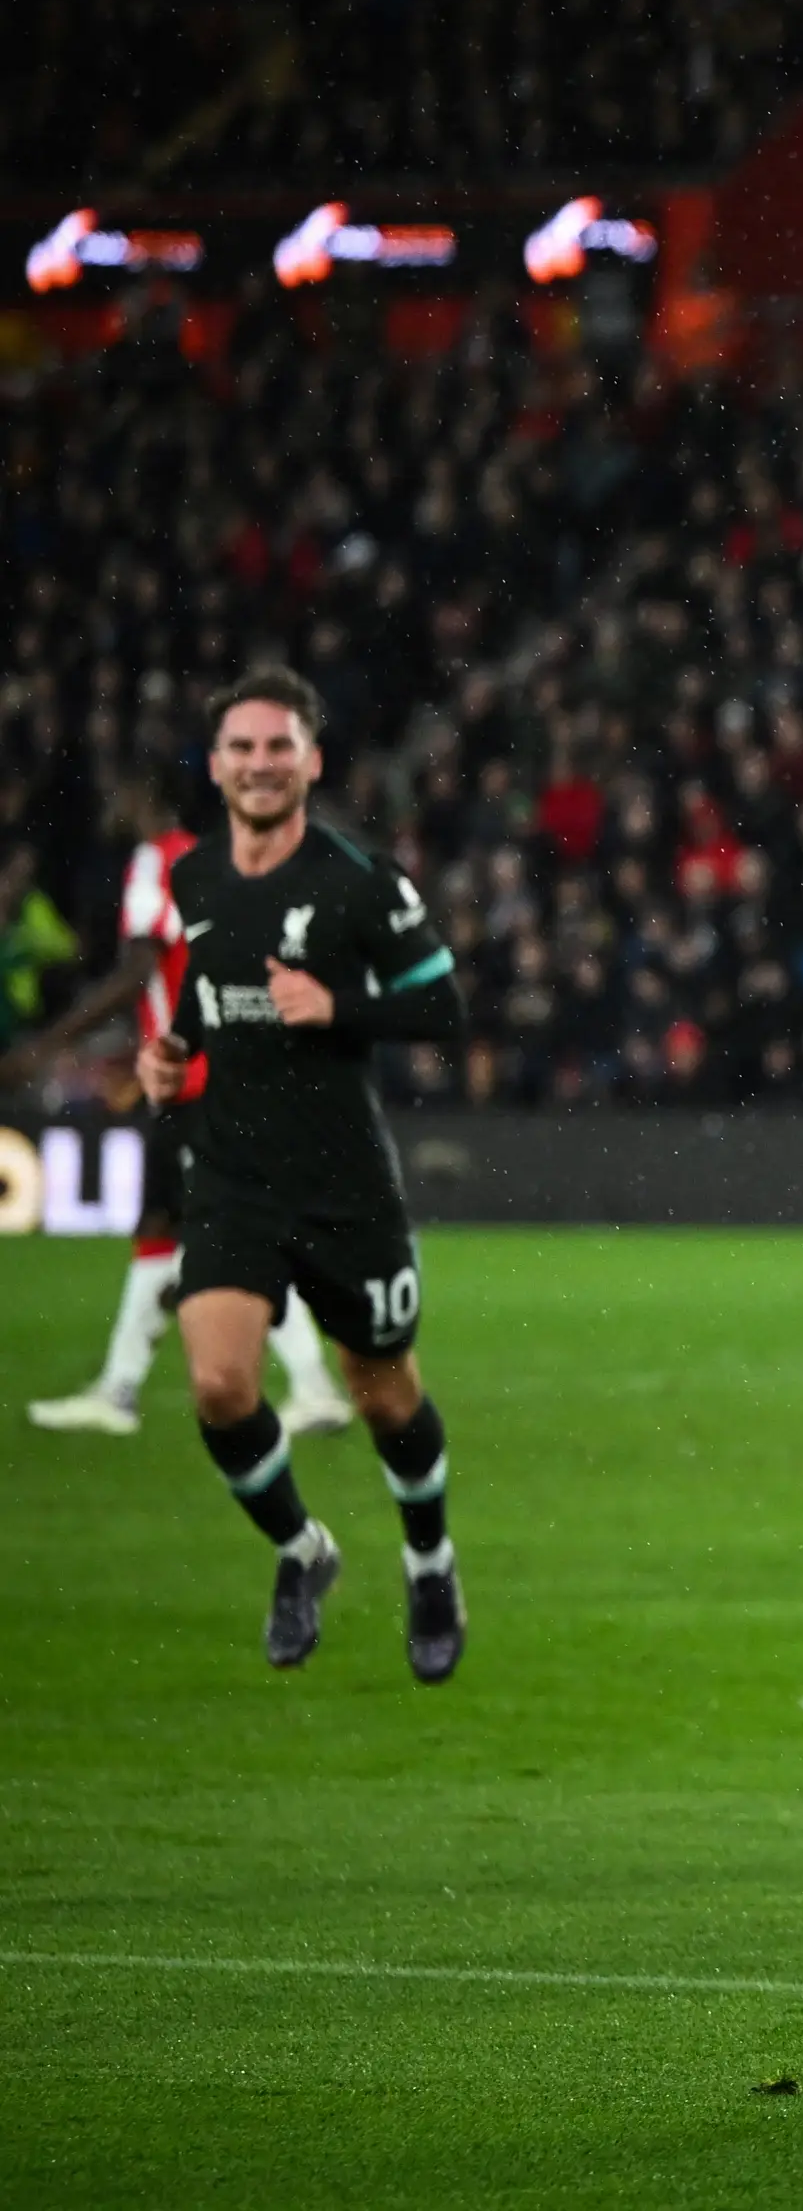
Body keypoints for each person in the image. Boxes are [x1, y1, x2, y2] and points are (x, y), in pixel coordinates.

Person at [134, 669, 470, 1677]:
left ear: (312, 761)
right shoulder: (195, 878)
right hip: (233, 1174)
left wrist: (338, 1006)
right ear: (216, 766)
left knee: (384, 1396)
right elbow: (211, 983)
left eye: (279, 746)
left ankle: (431, 1563)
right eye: (242, 748)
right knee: (218, 1384)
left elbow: (444, 1009)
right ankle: (302, 1549)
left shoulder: (362, 881)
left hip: (343, 1185)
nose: (260, 764)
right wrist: (174, 1051)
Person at [16, 774, 342, 1437]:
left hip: (195, 1083)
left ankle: (308, 1387)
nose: (109, 804)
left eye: (119, 790)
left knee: (223, 1239)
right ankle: (122, 1389)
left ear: (144, 797)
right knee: (165, 1228)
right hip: (224, 1074)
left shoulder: (153, 862)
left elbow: (139, 969)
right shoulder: (213, 864)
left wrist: (51, 1042)